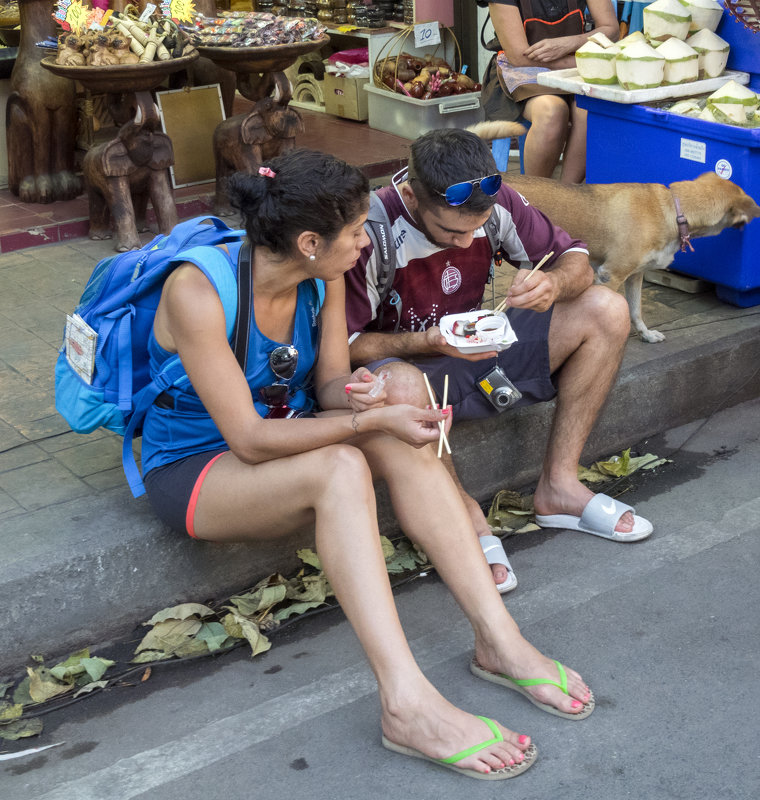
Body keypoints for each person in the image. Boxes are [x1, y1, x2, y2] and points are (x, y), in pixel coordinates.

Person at [139, 149, 594, 779]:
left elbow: (327, 387)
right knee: (345, 466)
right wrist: (367, 421)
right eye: (356, 232)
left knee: (392, 434)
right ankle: (405, 702)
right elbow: (244, 439)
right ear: (307, 242)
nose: (365, 243)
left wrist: (364, 399)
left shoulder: (321, 276)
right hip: (195, 466)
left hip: (285, 433)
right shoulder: (198, 290)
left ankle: (501, 642)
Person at [344, 129, 653, 595]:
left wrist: (554, 285)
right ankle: (462, 513)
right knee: (402, 382)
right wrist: (427, 340)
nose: (468, 243)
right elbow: (345, 347)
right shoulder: (369, 232)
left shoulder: (496, 199)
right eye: (452, 231)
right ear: (411, 194)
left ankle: (559, 486)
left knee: (606, 309)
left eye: (478, 228)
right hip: (406, 370)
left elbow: (576, 260)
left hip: (475, 354)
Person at [482, 0, 619, 182]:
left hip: (574, 62)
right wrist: (577, 62)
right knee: (551, 112)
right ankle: (536, 199)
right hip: (523, 69)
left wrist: (571, 43)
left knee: (589, 111)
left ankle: (565, 196)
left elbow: (611, 29)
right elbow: (518, 56)